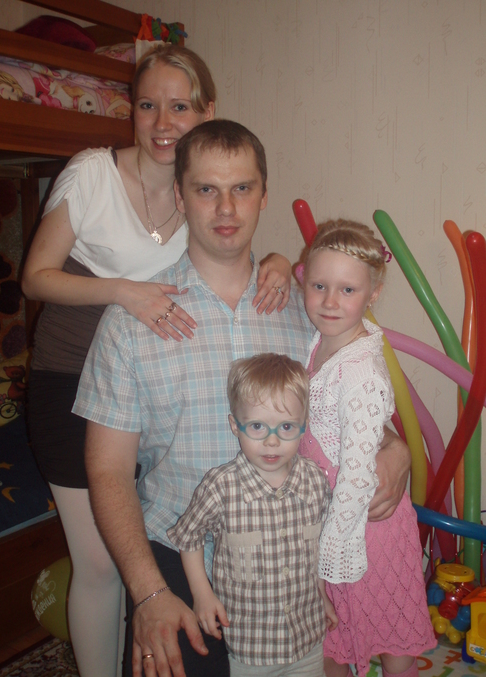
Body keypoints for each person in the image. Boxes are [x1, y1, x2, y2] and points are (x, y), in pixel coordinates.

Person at [74, 119, 411, 677]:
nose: (226, 208)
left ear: (263, 195)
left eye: (242, 188)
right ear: (179, 196)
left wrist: (395, 447)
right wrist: (148, 593)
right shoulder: (130, 324)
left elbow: (353, 407)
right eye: (206, 189)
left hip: (293, 566)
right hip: (179, 559)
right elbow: (107, 470)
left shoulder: (309, 311)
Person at [20, 46, 293, 677]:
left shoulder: (200, 184)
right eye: (148, 105)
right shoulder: (94, 174)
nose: (163, 121)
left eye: (179, 106)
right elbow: (35, 278)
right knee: (100, 561)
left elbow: (232, 247)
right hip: (72, 374)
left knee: (144, 528)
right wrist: (123, 291)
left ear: (206, 112)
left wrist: (283, 263)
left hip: (156, 378)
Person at [298, 220, 436, 677]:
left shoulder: (361, 374)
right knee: (333, 636)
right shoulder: (320, 342)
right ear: (304, 280)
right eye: (319, 286)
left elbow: (358, 476)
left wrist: (331, 553)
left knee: (390, 635)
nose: (330, 301)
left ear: (373, 293)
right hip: (331, 516)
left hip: (364, 525)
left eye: (347, 290)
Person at [168, 353, 338, 676]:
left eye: (286, 427)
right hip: (249, 650)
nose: (272, 441)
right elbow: (187, 537)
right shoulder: (221, 487)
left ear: (304, 426)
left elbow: (314, 554)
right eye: (257, 426)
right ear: (235, 425)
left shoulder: (315, 482)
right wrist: (202, 594)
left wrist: (323, 596)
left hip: (307, 640)